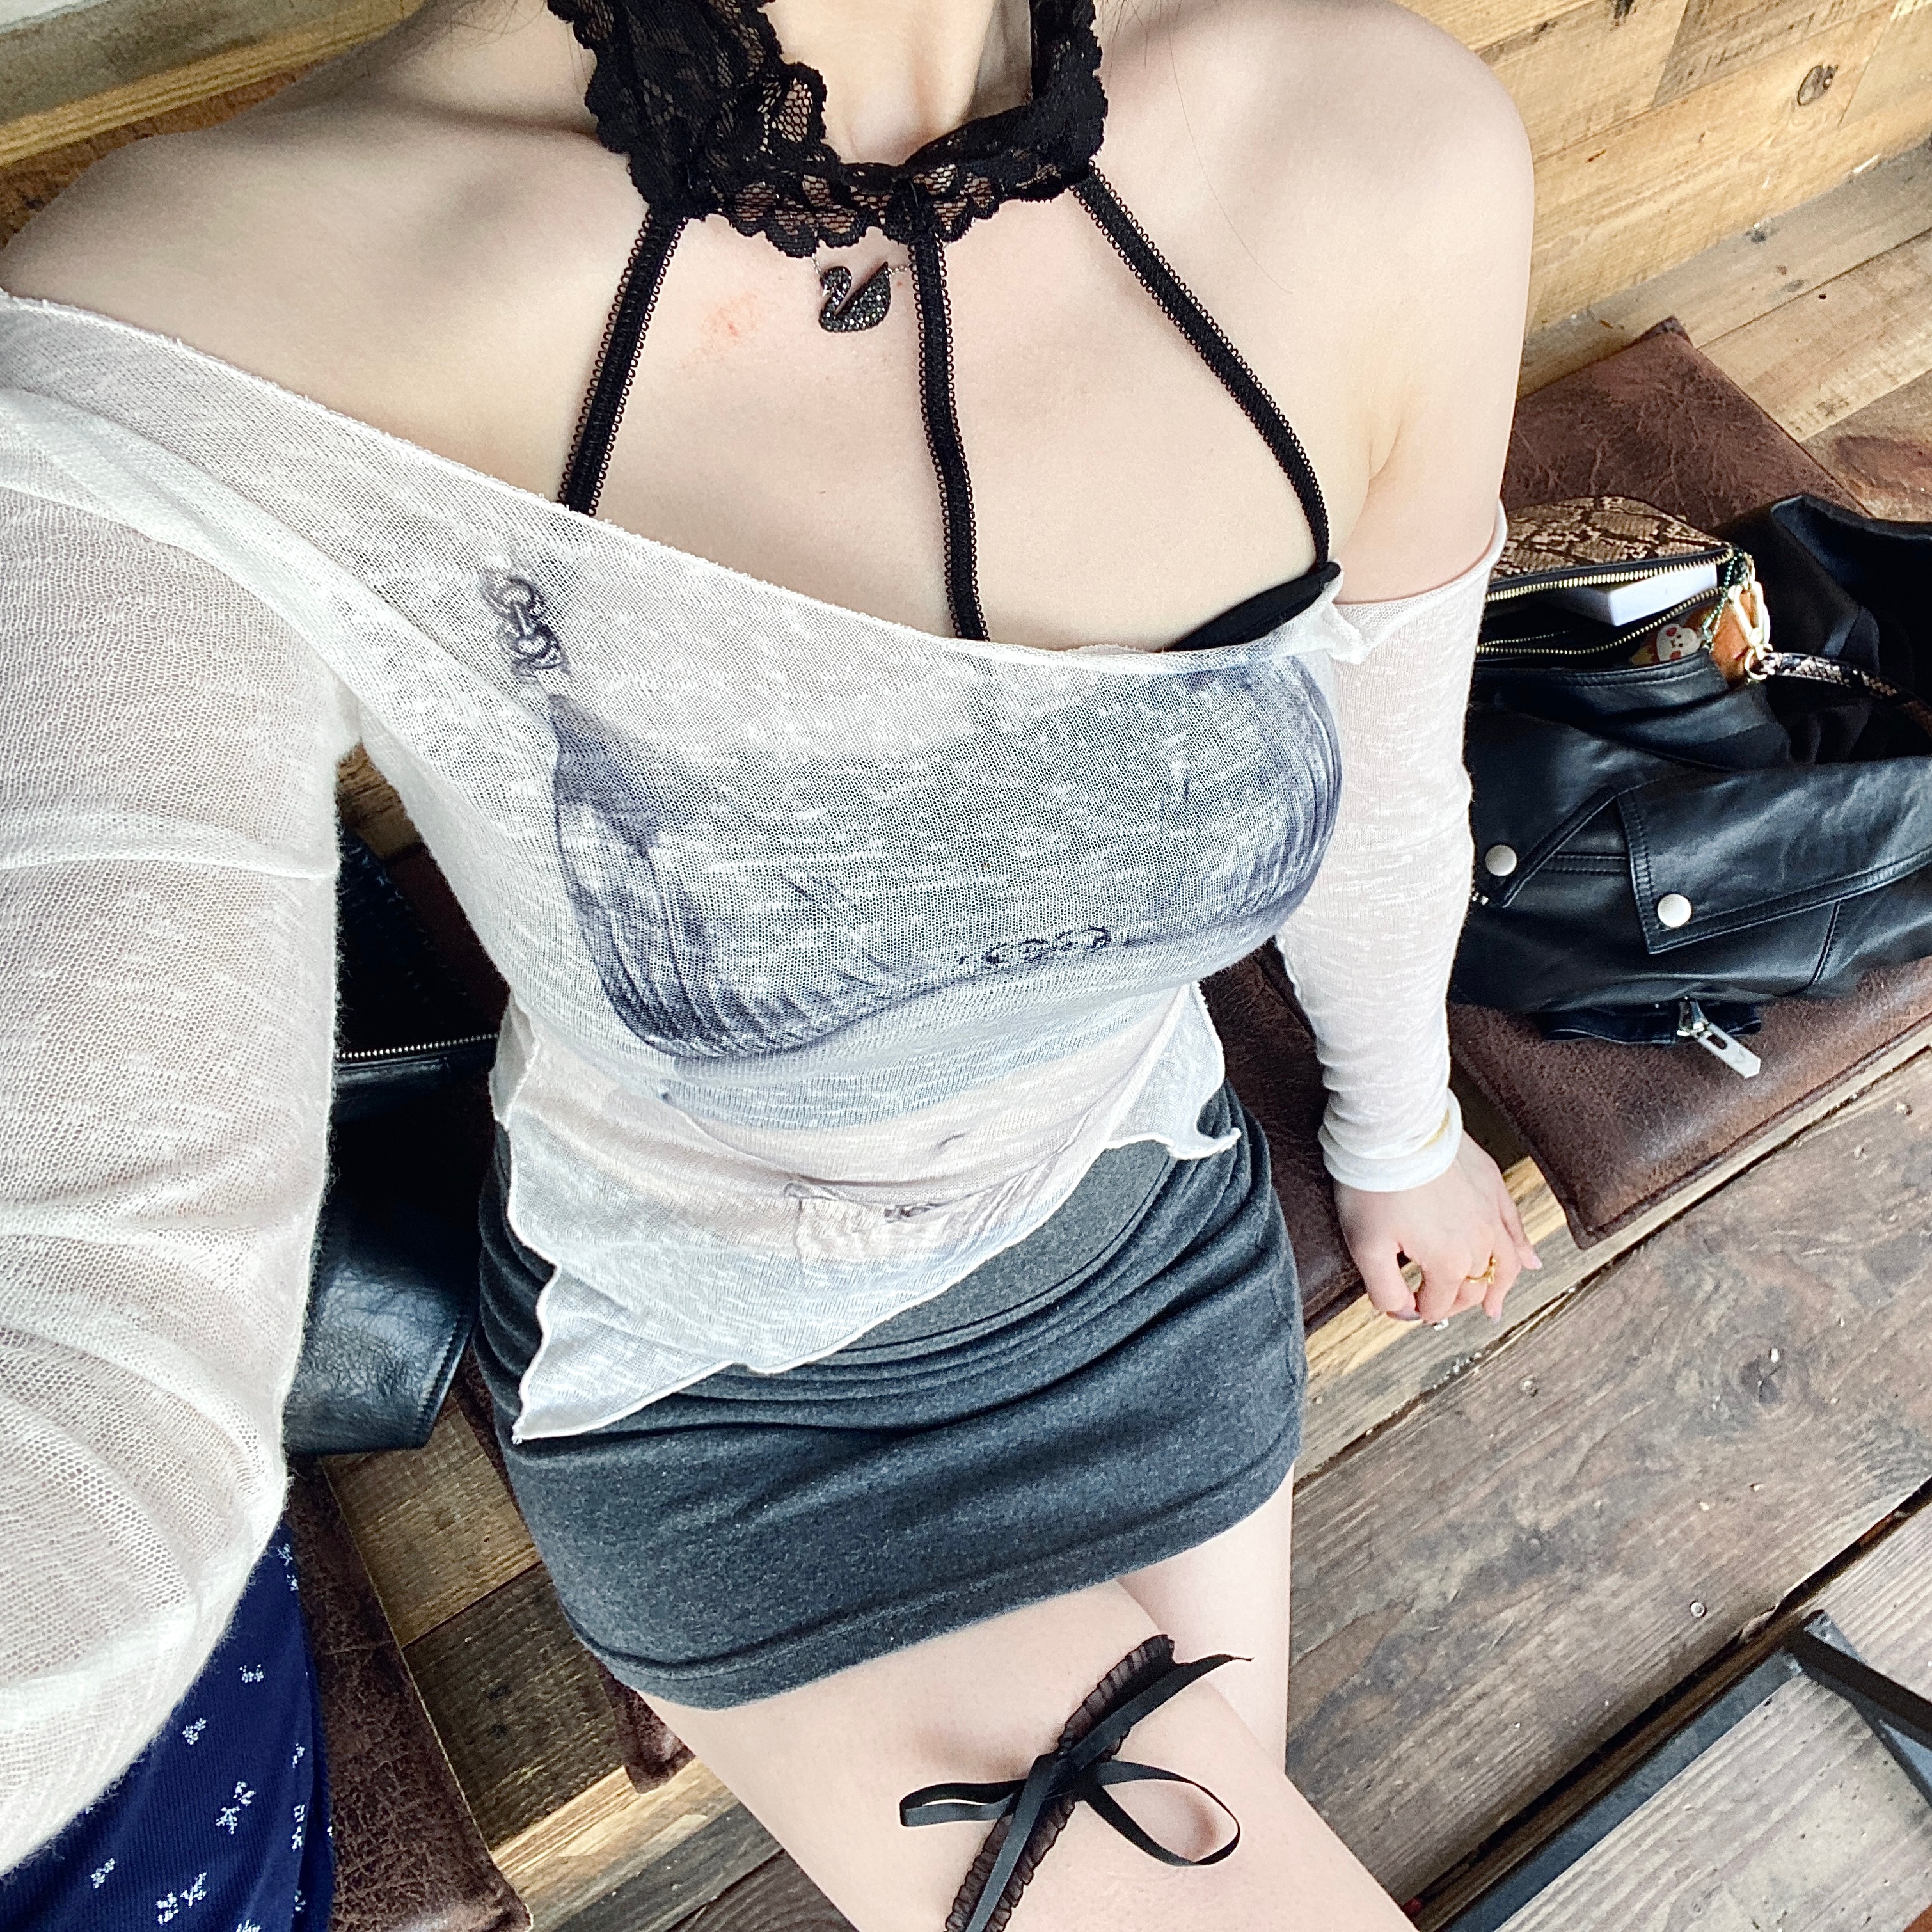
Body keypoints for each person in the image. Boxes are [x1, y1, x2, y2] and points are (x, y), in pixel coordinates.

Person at [0, 0, 1536, 1922]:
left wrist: (1399, 1130)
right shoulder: (199, 316)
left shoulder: (1390, 144)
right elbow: (97, 1324)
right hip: (725, 1381)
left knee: (1237, 1822)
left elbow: (1386, 786)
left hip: (1142, 1234)